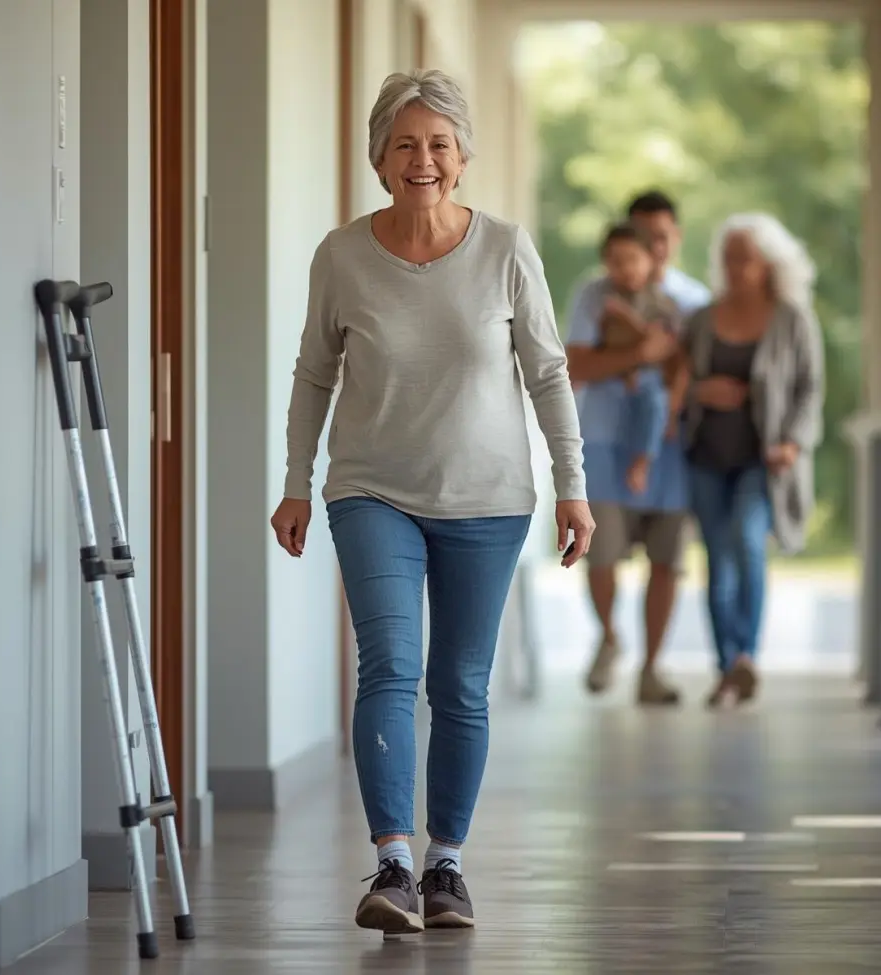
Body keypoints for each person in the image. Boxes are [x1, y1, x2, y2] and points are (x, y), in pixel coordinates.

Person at [269, 69, 595, 935]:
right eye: (404, 144)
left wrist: (573, 484)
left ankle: (447, 864)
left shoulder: (505, 248)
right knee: (390, 665)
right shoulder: (341, 254)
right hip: (371, 488)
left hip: (488, 498)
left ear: (461, 157)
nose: (422, 160)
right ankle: (392, 864)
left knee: (460, 683)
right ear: (379, 156)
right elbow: (312, 375)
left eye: (438, 145)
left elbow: (548, 372)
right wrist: (296, 481)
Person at [566, 190, 711, 705]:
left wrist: (650, 362)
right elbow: (576, 366)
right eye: (641, 235)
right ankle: (608, 636)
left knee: (667, 560)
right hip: (603, 442)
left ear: (674, 239)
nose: (652, 244)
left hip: (669, 449)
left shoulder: (692, 301)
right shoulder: (595, 293)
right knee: (598, 554)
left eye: (661, 236)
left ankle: (651, 668)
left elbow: (691, 373)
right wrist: (640, 353)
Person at [679, 213, 823, 707]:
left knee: (746, 540)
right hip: (705, 457)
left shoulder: (792, 317)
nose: (735, 266)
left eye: (746, 258)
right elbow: (677, 384)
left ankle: (748, 656)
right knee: (716, 563)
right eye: (729, 257)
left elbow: (810, 389)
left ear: (768, 264)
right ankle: (727, 667)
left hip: (764, 460)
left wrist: (794, 441)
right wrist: (702, 389)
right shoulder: (703, 318)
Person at [596, 222, 686, 495]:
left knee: (655, 403)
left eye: (633, 260)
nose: (626, 269)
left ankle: (641, 463)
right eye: (616, 262)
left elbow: (659, 345)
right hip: (617, 388)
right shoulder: (604, 297)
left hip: (652, 377)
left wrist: (625, 318)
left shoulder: (661, 302)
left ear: (650, 260)